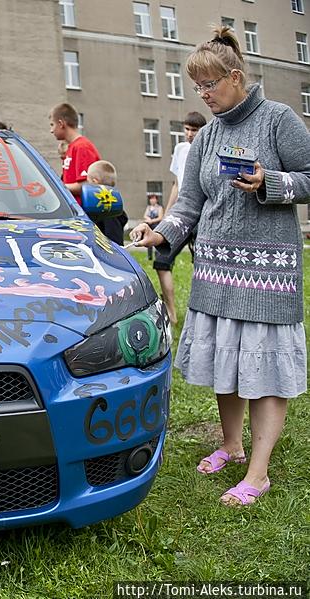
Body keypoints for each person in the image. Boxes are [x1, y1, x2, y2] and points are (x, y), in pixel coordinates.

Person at [130, 25, 310, 507]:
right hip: (215, 269)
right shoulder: (206, 137)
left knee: (265, 370)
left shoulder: (278, 120)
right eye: (197, 87)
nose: (203, 95)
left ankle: (259, 471)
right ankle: (231, 445)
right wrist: (161, 232)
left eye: (210, 84)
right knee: (226, 364)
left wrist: (269, 181)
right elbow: (189, 201)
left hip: (267, 273)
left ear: (235, 76)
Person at [154, 111, 208, 325]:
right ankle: (172, 313)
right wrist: (166, 216)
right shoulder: (180, 149)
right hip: (180, 215)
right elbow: (176, 184)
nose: (189, 134)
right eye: (186, 129)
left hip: (202, 216)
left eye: (194, 130)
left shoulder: (208, 148)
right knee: (161, 261)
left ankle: (201, 316)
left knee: (202, 267)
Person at [141, 194, 164, 260]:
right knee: (148, 240)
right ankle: (149, 256)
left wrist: (152, 221)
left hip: (157, 226)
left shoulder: (159, 208)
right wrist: (148, 219)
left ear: (156, 200)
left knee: (157, 241)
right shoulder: (148, 207)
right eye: (151, 199)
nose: (152, 200)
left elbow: (160, 217)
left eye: (153, 199)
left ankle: (158, 256)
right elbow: (145, 215)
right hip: (149, 226)